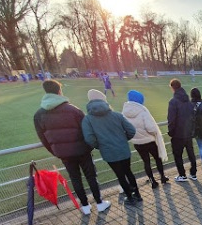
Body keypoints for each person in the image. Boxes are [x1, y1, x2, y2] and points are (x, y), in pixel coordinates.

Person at [33, 79, 110, 215]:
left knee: (75, 178)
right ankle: (99, 203)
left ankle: (85, 206)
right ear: (59, 91)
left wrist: (56, 151)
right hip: (82, 151)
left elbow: (43, 138)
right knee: (91, 176)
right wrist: (89, 147)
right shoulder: (73, 110)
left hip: (65, 154)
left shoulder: (39, 115)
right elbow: (87, 130)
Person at [82, 89, 140, 205]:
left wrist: (100, 146)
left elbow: (89, 138)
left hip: (108, 152)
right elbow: (131, 130)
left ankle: (130, 197)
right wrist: (123, 140)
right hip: (123, 149)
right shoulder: (116, 115)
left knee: (120, 175)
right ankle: (137, 194)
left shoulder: (88, 119)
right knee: (128, 172)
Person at [122, 90, 169, 189]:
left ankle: (153, 181)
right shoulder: (142, 111)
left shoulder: (124, 113)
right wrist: (155, 133)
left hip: (137, 142)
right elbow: (150, 128)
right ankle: (162, 177)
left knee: (146, 161)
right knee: (157, 159)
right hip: (149, 141)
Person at [167, 79, 197, 182]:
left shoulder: (173, 102)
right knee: (191, 153)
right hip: (188, 132)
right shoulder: (188, 101)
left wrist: (171, 132)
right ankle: (193, 173)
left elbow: (171, 119)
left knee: (178, 155)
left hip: (178, 134)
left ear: (172, 87)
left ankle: (182, 175)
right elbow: (193, 117)